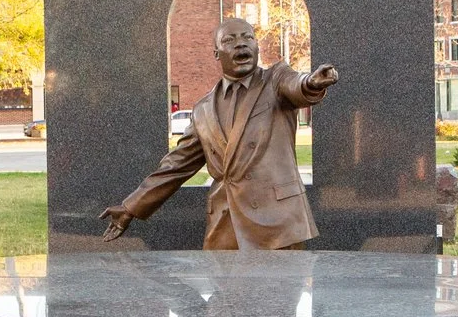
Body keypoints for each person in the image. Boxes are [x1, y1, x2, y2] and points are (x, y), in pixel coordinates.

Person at [100, 16, 338, 250]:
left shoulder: (276, 79)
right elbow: (176, 165)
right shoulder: (203, 110)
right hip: (226, 224)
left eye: (248, 37)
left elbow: (298, 85)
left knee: (277, 289)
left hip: (277, 223)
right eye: (230, 40)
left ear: (256, 46)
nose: (241, 43)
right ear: (216, 53)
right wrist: (131, 206)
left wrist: (313, 82)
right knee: (224, 290)